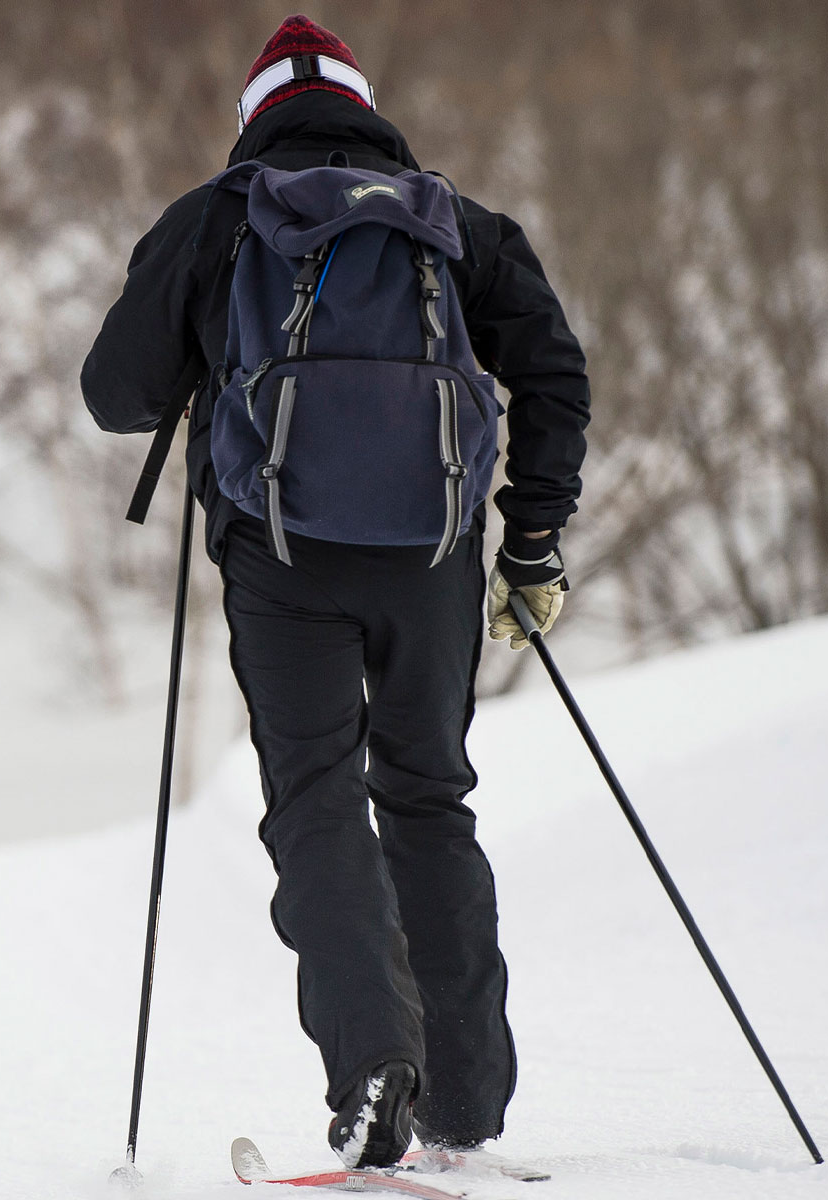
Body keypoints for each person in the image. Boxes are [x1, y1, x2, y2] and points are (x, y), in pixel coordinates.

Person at [79, 15, 589, 1170]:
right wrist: (532, 542)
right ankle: (464, 1104)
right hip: (432, 553)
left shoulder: (220, 217)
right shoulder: (456, 223)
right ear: (366, 106)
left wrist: (200, 340)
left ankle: (373, 1071)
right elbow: (554, 369)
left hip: (281, 561)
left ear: (255, 115)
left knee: (316, 798)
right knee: (427, 800)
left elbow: (115, 394)